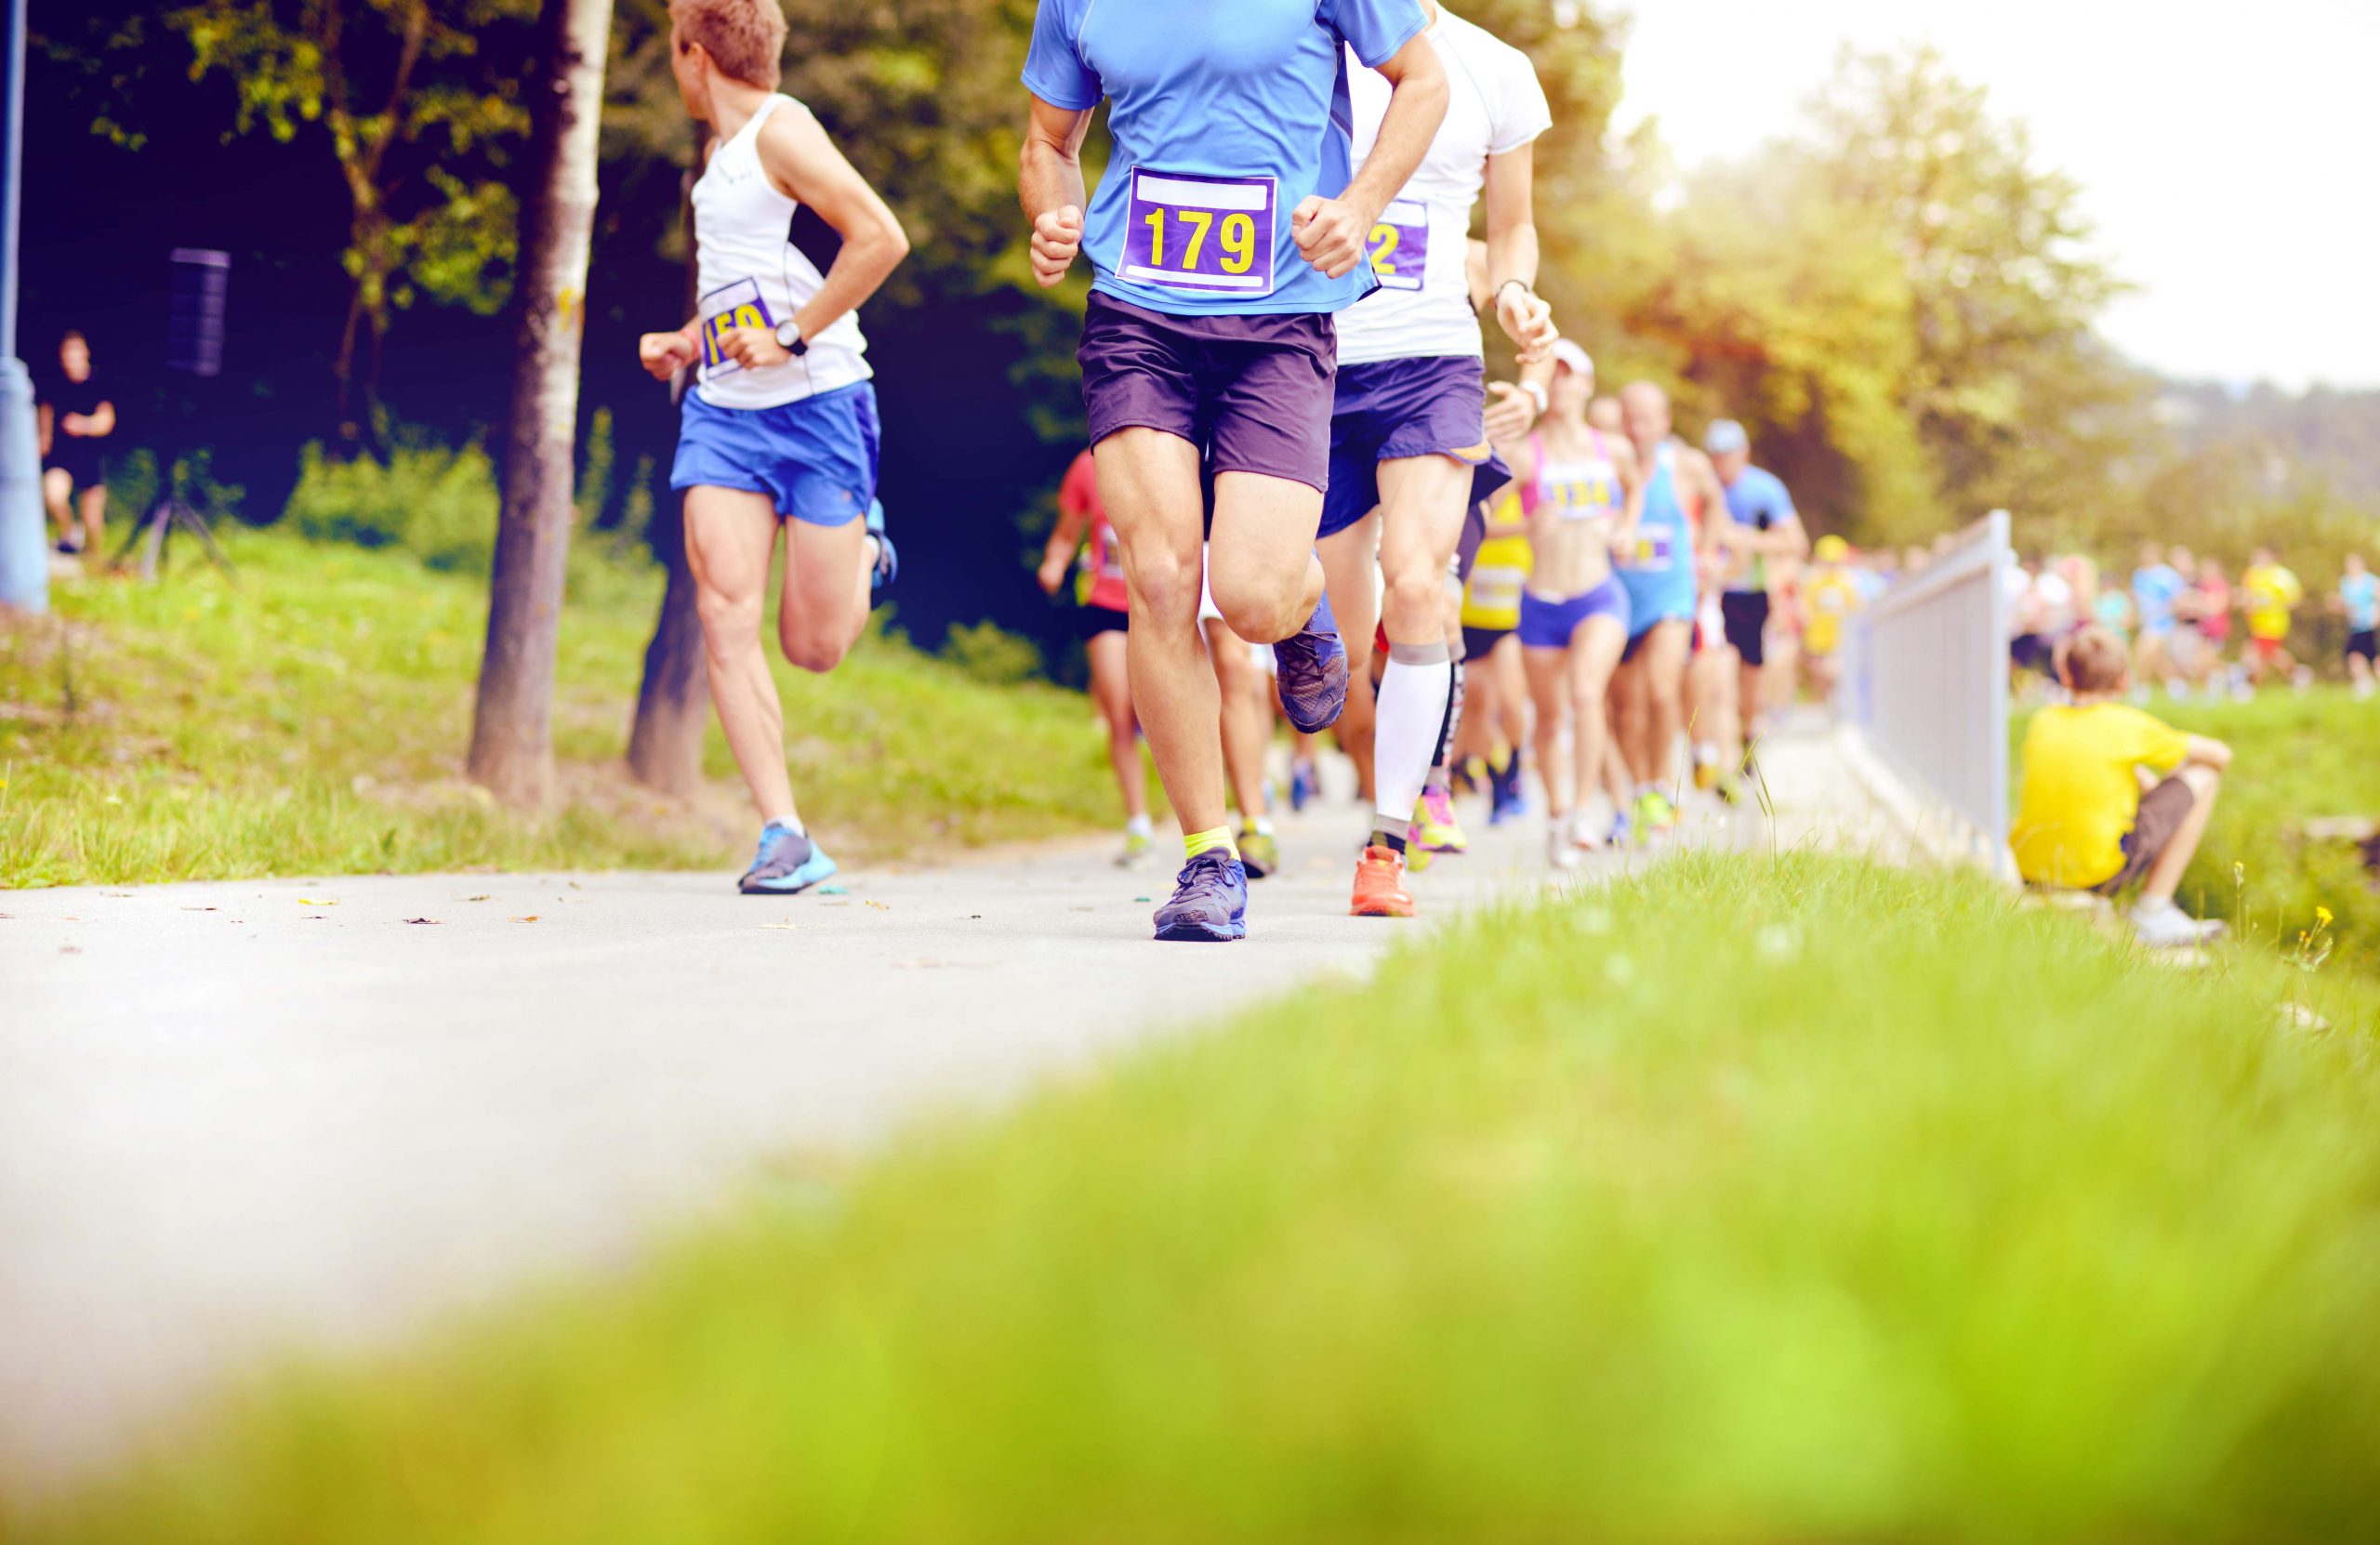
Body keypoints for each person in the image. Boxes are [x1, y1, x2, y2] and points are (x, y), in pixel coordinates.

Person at [1020, 0, 1448, 941]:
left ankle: (1301, 609)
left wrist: (1359, 206)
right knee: (1164, 576)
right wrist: (1054, 211)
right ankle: (1207, 855)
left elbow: (1425, 81)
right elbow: (1048, 140)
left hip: (1281, 321)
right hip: (1137, 315)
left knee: (1248, 595)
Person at [638, 0, 909, 894]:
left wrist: (792, 335)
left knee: (814, 646)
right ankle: (785, 832)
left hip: (821, 403)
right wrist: (690, 337)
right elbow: (752, 278)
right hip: (725, 410)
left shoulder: (782, 133)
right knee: (723, 606)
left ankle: (867, 546)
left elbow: (880, 239)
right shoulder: (718, 161)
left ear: (693, 54)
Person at [1316, 15, 1555, 916]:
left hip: (1432, 362)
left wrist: (1515, 293)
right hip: (1306, 357)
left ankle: (1385, 849)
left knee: (1419, 587)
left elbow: (1514, 225)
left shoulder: (1495, 67)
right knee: (1340, 659)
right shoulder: (1308, 39)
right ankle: (1350, 717)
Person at [1494, 340, 1641, 867]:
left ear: (1586, 384)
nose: (1560, 385)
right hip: (1542, 603)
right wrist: (1524, 524)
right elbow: (1480, 521)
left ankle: (1583, 811)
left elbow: (1636, 486)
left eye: (1569, 376)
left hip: (1599, 594)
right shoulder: (1524, 454)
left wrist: (1625, 527)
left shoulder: (1612, 449)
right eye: (1550, 376)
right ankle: (1558, 815)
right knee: (1550, 719)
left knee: (1585, 694)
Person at [2012, 626, 2230, 949]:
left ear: (2066, 676)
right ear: (2124, 680)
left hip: (2031, 869)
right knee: (2205, 776)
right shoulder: (2129, 725)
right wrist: (2170, 781)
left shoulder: (2043, 720)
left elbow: (2090, 757)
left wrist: (2140, 777)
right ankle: (2153, 910)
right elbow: (2221, 756)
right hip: (2096, 876)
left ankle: (2153, 910)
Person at [1610, 380, 1723, 834]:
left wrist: (1709, 554)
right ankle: (1640, 789)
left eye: (1647, 417)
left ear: (1665, 422)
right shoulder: (1609, 463)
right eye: (1630, 417)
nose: (1638, 427)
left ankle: (1658, 783)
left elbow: (1716, 504)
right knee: (1624, 709)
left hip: (1671, 594)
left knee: (1661, 691)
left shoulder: (1687, 465)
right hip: (1619, 596)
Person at [1038, 447, 1150, 865]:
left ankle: (1201, 822)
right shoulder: (1087, 466)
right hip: (1106, 603)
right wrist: (1055, 562)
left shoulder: (1171, 452)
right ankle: (1138, 825)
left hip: (1161, 607)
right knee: (1119, 712)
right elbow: (1069, 530)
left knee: (1160, 712)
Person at [1704, 417, 1805, 778]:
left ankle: (1748, 737)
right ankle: (1721, 758)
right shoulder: (1705, 487)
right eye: (1716, 455)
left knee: (1749, 680)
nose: (1722, 463)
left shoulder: (1765, 489)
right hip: (1715, 596)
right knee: (1719, 677)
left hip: (1754, 594)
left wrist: (1748, 541)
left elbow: (1795, 543)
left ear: (1743, 453)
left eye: (1729, 455)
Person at [1456, 482, 1532, 824]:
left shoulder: (1526, 490)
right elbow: (1472, 526)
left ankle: (1513, 767)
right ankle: (1491, 775)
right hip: (1466, 617)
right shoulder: (1471, 490)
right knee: (1474, 705)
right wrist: (1525, 527)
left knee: (1512, 700)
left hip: (1506, 618)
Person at [36, 330, 114, 556]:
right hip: (61, 456)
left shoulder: (97, 383)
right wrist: (43, 438)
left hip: (89, 457)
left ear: (85, 353)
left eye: (75, 351)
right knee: (53, 495)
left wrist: (84, 425)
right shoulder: (55, 383)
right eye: (67, 352)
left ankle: (93, 562)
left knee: (93, 519)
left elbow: (106, 421)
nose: (70, 357)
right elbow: (46, 410)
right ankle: (70, 533)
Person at [1798, 534, 1863, 701]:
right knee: (1820, 677)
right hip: (1816, 638)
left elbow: (1856, 606)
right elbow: (1804, 606)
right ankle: (1828, 706)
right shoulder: (1812, 581)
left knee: (1834, 672)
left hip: (1838, 638)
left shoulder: (1846, 581)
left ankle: (1837, 705)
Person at [2128, 541, 2187, 693]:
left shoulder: (2167, 575)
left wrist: (2161, 612)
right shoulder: (2139, 575)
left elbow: (2178, 601)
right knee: (2158, 659)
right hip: (2146, 623)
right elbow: (2136, 600)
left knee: (2142, 651)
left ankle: (2141, 687)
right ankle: (2177, 687)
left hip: (2163, 624)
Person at [2240, 545, 2303, 687]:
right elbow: (2247, 596)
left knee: (2252, 652)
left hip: (2273, 623)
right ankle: (2298, 674)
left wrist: (2273, 605)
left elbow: (2294, 600)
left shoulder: (2281, 576)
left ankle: (2248, 688)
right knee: (2270, 655)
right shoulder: (2251, 574)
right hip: (2256, 622)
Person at [2336, 552, 2376, 698]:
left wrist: (2376, 615)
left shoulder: (2370, 581)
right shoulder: (2345, 582)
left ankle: (2365, 684)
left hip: (2369, 624)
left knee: (2372, 656)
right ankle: (2363, 683)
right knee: (2354, 655)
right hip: (2355, 625)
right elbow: (2346, 604)